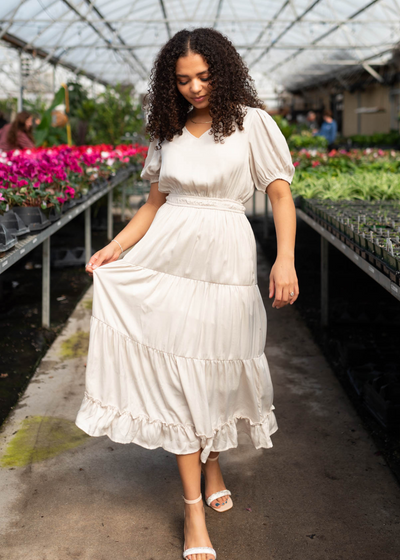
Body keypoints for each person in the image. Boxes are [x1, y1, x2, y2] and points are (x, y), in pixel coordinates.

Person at [75, 27, 298, 560]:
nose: (195, 88)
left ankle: (213, 460)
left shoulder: (253, 124)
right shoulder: (168, 131)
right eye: (182, 80)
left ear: (223, 71)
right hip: (166, 260)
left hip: (226, 262)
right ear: (168, 83)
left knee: (217, 369)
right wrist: (114, 248)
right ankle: (193, 512)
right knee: (177, 376)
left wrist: (285, 259)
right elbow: (154, 205)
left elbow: (281, 195)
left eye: (203, 76)